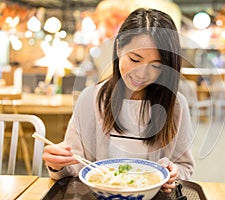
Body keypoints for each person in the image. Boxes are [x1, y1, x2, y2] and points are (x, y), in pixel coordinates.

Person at [42, 8, 195, 193]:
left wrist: (173, 176)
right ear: (118, 48)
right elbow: (73, 168)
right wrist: (57, 165)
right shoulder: (90, 99)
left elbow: (185, 167)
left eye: (156, 65)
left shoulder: (176, 105)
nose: (142, 73)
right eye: (134, 59)